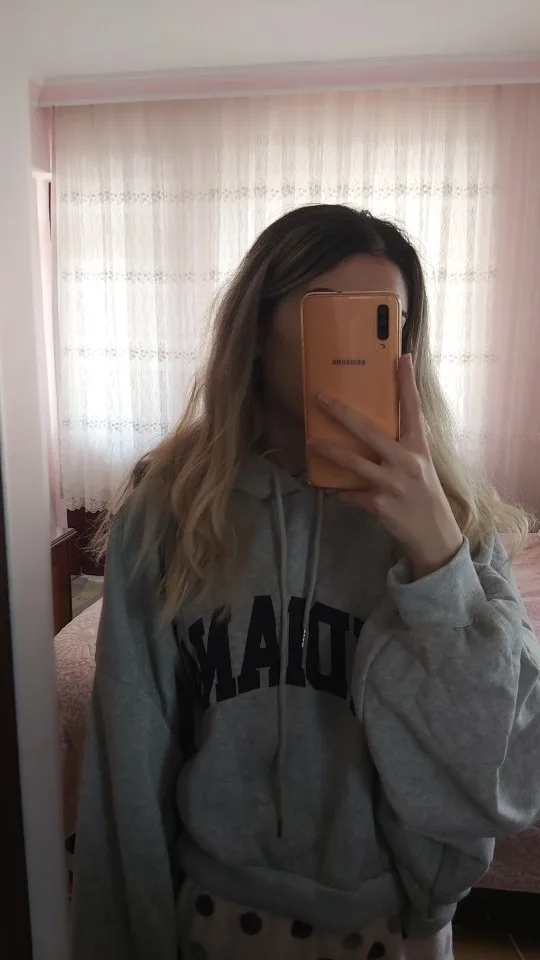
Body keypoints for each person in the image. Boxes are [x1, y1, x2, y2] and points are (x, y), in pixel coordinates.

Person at [72, 205, 540, 960]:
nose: (353, 345)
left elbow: (510, 774)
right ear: (257, 331)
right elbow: (127, 758)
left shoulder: (449, 517)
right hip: (214, 919)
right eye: (327, 312)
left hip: (398, 927)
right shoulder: (170, 511)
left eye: (383, 320)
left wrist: (438, 562)